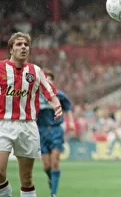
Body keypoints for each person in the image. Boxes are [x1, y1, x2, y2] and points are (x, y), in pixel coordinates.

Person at [0, 32, 62, 197]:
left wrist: (56, 105)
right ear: (11, 49)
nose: (23, 47)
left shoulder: (35, 70)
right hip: (3, 124)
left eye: (26, 45)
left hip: (27, 126)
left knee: (26, 178)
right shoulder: (1, 68)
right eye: (19, 44)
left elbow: (49, 91)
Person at [37, 69, 75, 197]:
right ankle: (51, 179)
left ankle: (53, 193)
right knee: (46, 166)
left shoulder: (59, 95)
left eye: (50, 79)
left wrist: (71, 122)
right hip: (41, 131)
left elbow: (68, 108)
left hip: (55, 130)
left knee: (55, 162)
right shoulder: (36, 96)